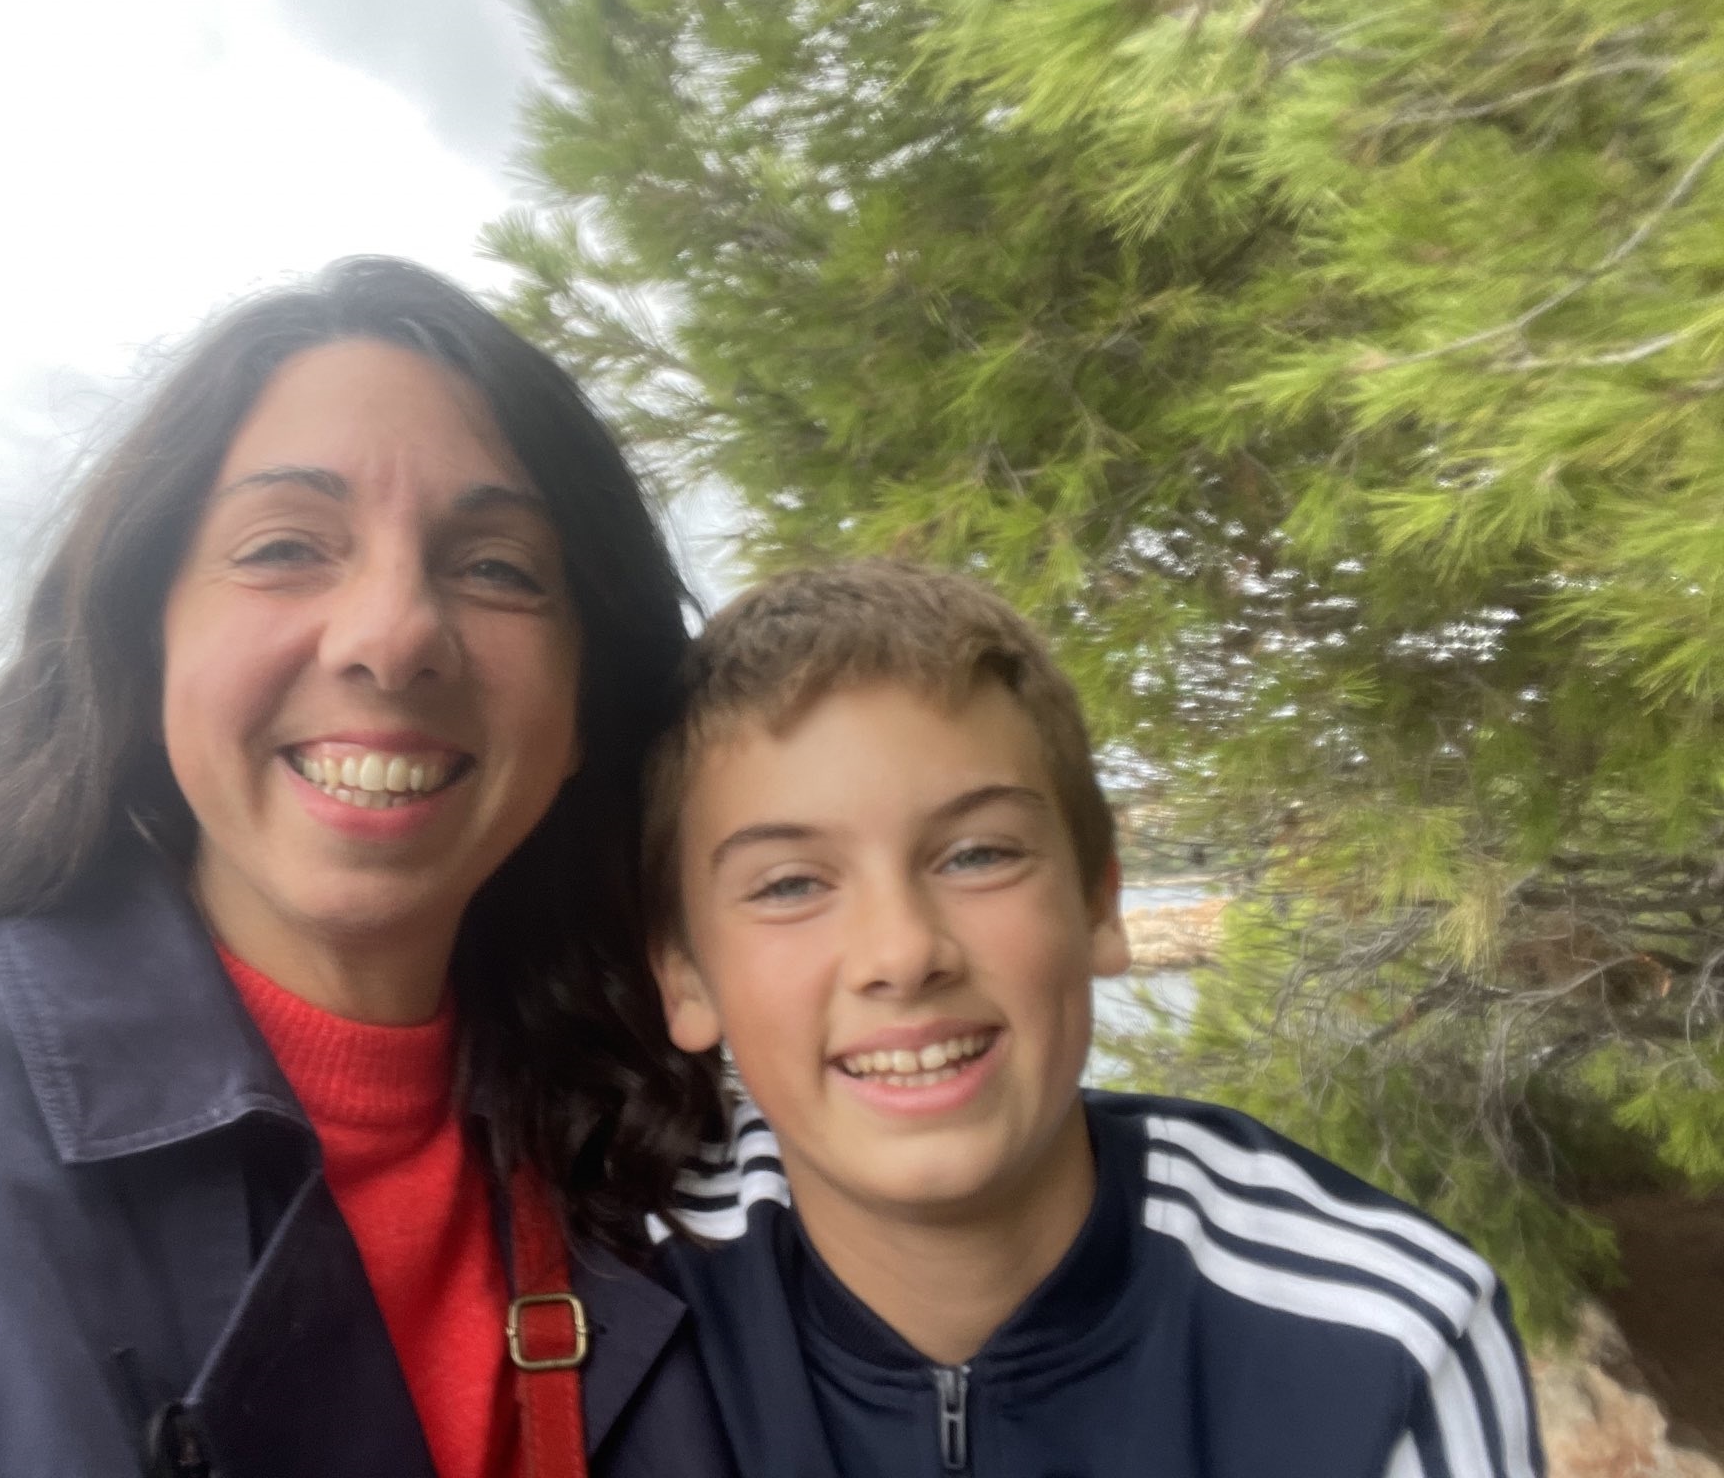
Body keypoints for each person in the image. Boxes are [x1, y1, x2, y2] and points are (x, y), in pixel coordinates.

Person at [0, 257, 732, 1478]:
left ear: (584, 707)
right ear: (145, 641)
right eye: (286, 546)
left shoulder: (675, 1129)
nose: (391, 636)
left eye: (496, 567)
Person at [641, 559, 1542, 1478]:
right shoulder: (615, 1308)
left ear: (1100, 904)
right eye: (790, 884)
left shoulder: (1377, 1337)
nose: (903, 954)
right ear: (683, 974)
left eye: (978, 855)